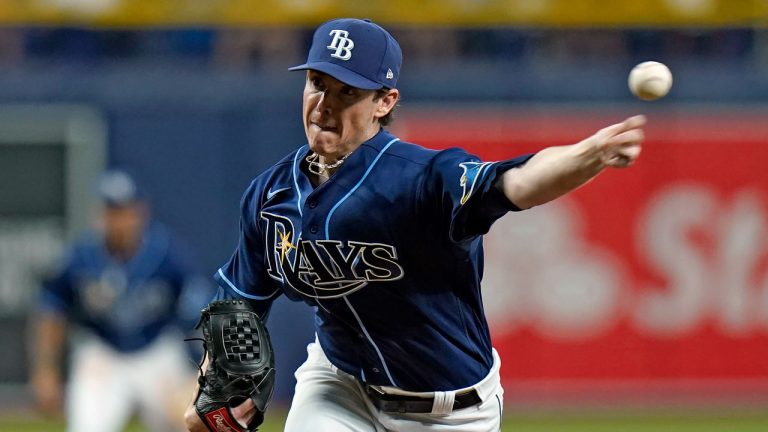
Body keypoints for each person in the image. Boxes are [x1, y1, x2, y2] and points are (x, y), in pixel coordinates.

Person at [184, 18, 645, 432]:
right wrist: (211, 385)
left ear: (385, 102)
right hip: (339, 386)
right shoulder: (271, 196)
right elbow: (239, 302)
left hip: (450, 411)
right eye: (316, 83)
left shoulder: (422, 178)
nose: (324, 105)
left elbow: (517, 182)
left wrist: (589, 155)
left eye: (347, 92)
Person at [30, 169, 212, 432]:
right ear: (99, 214)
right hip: (103, 354)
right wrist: (45, 371)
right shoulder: (81, 257)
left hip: (156, 351)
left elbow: (201, 313)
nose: (118, 220)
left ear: (141, 211)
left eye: (124, 211)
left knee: (193, 424)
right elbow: (51, 310)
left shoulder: (167, 254)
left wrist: (199, 373)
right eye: (110, 211)